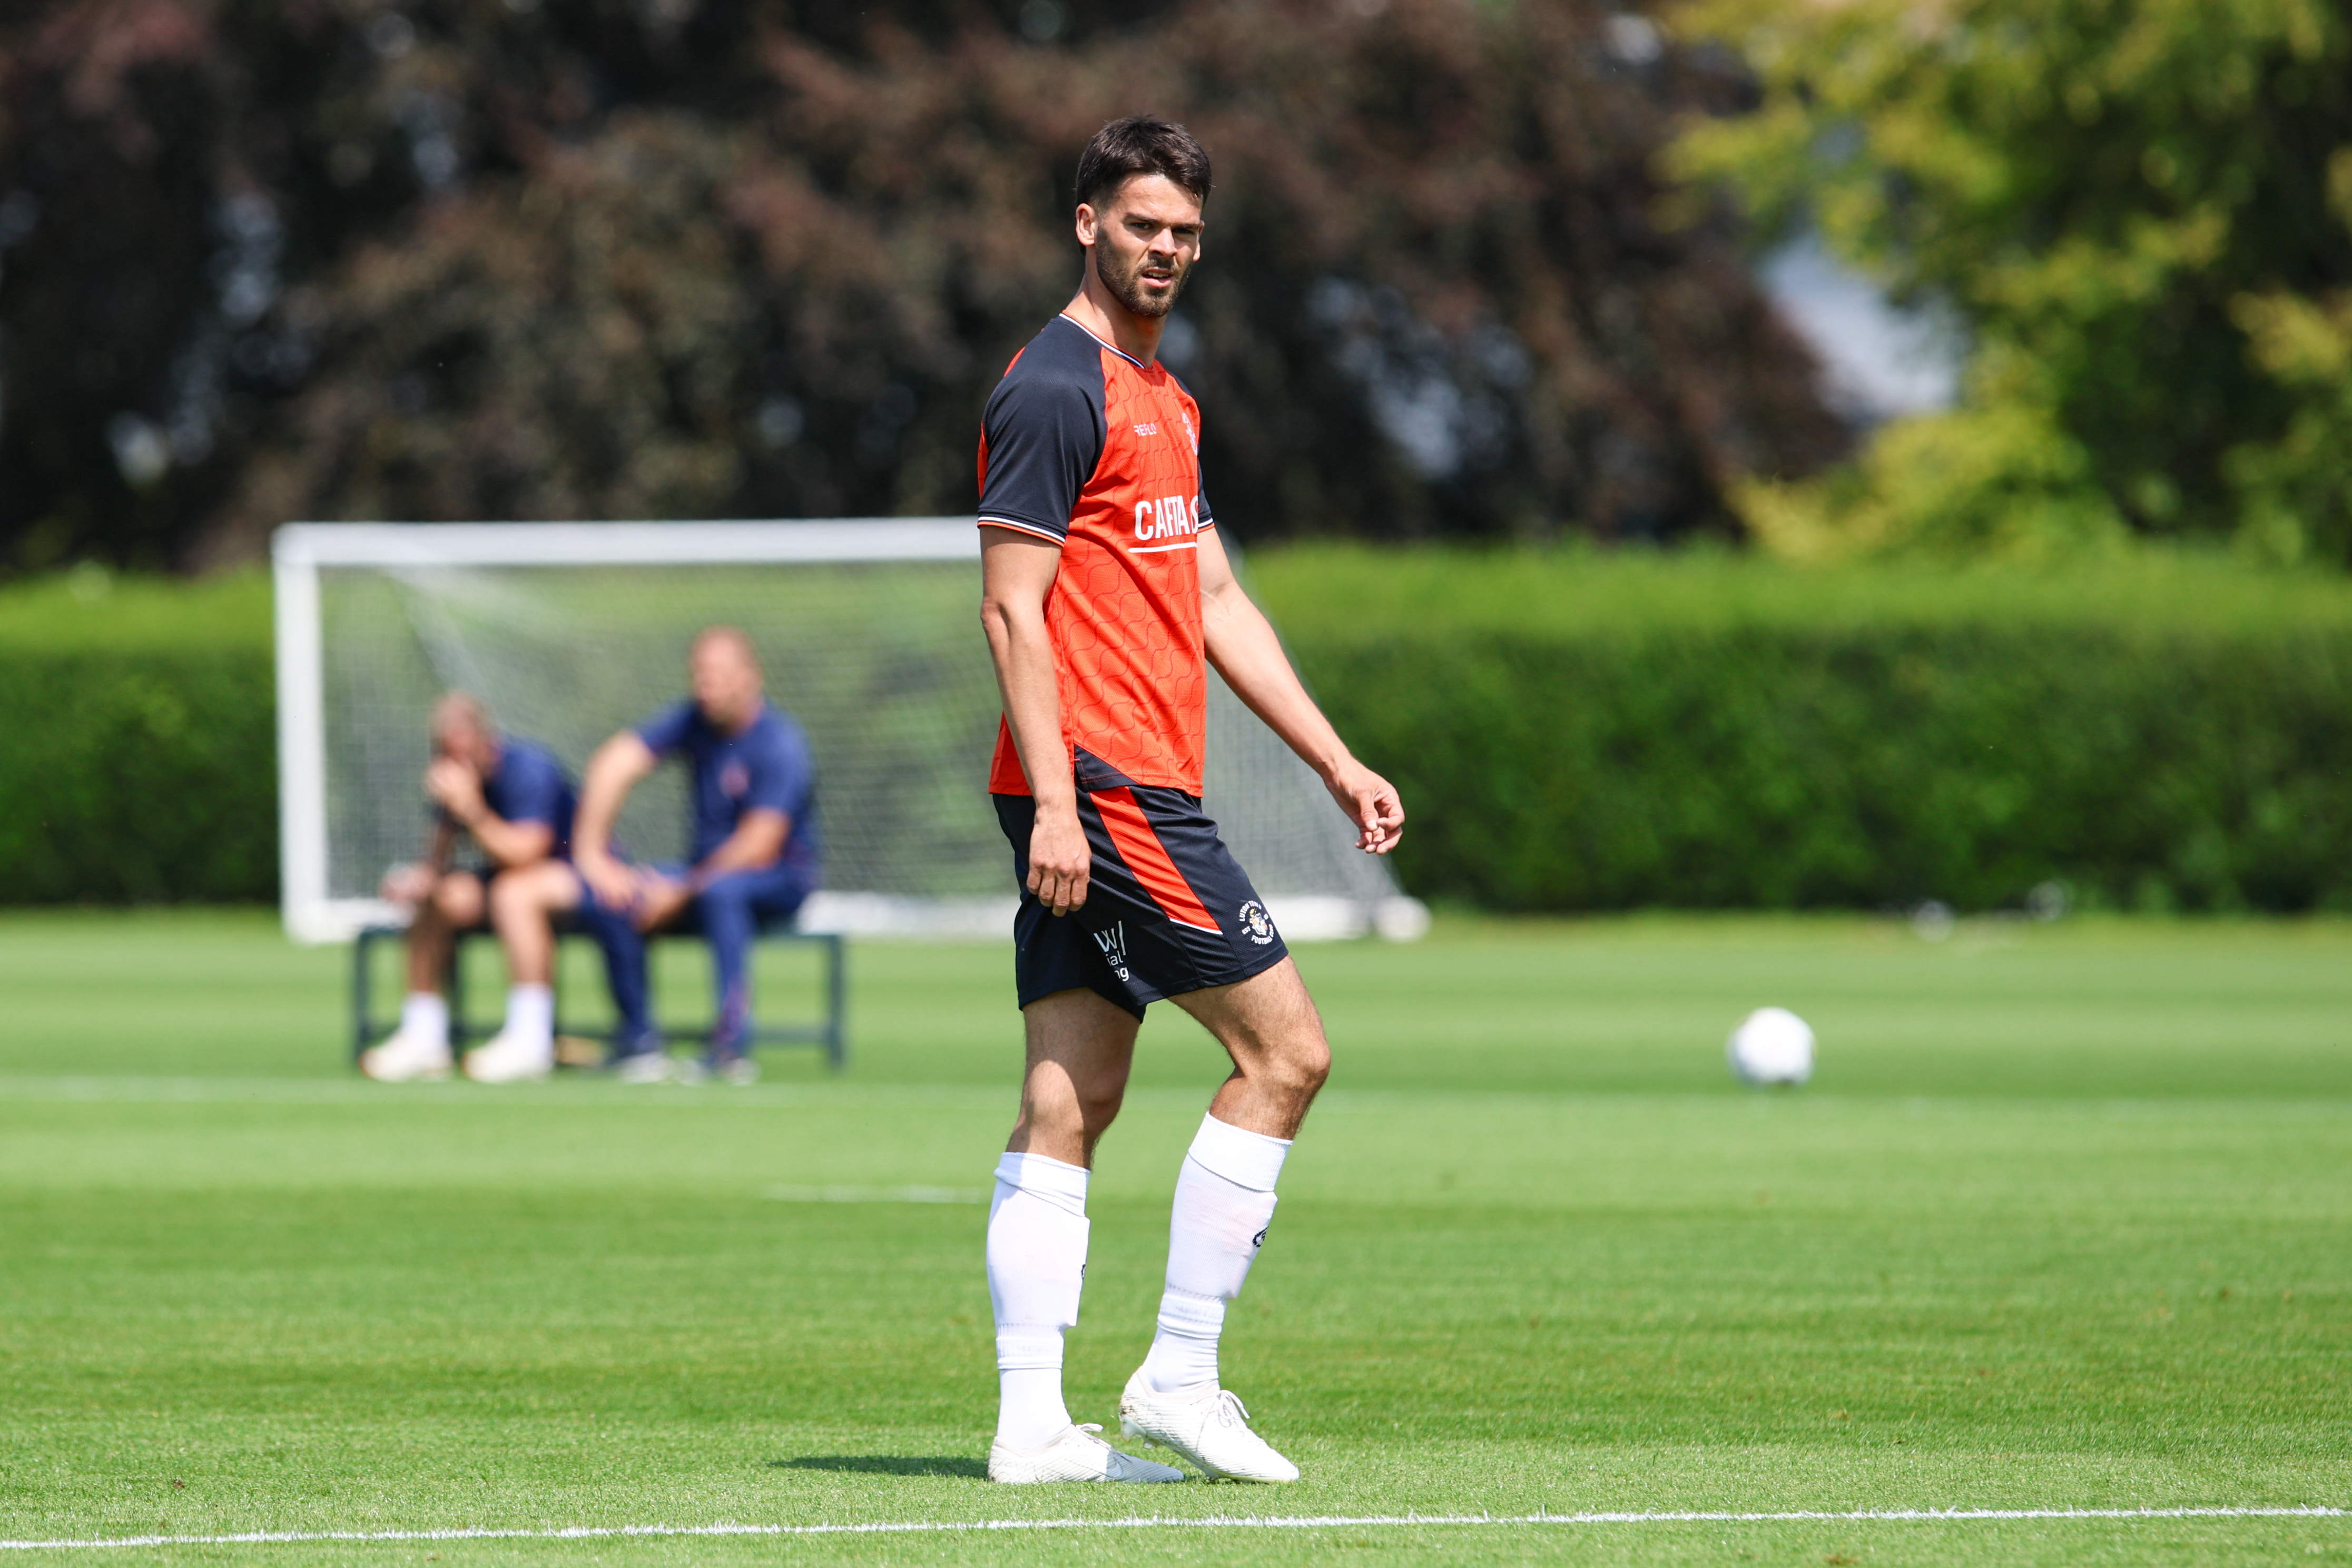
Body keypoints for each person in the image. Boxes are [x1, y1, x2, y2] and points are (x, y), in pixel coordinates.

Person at [973, 116, 1405, 1486]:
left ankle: (1034, 1426)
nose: (1166, 250)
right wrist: (1057, 802)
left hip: (1122, 783)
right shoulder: (1053, 387)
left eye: (1187, 234)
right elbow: (1010, 610)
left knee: (1074, 1097)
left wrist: (1333, 758)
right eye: (1143, 224)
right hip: (1100, 788)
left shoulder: (1167, 397)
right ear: (1086, 222)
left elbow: (1213, 596)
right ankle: (1180, 1371)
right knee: (1287, 1057)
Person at [572, 626, 821, 1086]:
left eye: (717, 677)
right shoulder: (692, 721)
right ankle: (639, 1041)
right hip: (701, 877)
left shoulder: (780, 742)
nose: (705, 688)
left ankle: (729, 1049)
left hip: (776, 879)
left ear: (750, 677)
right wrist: (591, 855)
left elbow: (760, 843)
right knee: (616, 892)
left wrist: (683, 889)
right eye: (698, 676)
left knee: (721, 894)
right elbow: (612, 764)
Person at [360, 693, 585, 1085]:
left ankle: (530, 1039)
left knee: (514, 892)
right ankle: (424, 1035)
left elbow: (525, 854)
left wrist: (471, 809)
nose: (458, 764)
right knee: (440, 897)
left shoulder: (530, 768)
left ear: (486, 739)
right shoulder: (452, 778)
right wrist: (418, 880)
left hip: (574, 876)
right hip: (504, 879)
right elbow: (438, 859)